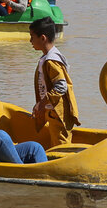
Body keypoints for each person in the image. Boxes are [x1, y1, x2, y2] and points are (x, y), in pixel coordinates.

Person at [29, 17, 79, 147]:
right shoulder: (46, 58)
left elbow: (61, 86)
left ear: (43, 38)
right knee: (56, 143)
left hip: (58, 114)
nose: (30, 41)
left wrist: (42, 103)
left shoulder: (51, 61)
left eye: (32, 37)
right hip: (53, 112)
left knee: (62, 146)